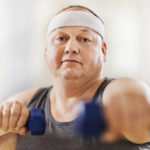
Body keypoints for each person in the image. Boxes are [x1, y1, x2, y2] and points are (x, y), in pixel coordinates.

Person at [0, 5, 150, 150]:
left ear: (103, 51)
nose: (71, 48)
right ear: (46, 51)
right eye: (61, 38)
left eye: (84, 39)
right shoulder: (23, 104)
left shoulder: (116, 92)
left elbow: (136, 96)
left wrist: (135, 104)